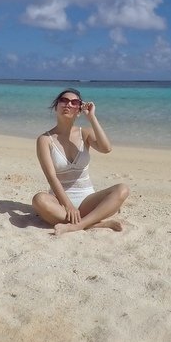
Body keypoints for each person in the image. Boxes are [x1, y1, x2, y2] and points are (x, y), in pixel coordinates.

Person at [32, 88, 129, 235]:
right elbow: (51, 177)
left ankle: (77, 225)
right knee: (38, 200)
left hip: (88, 200)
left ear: (78, 110)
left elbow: (106, 148)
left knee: (122, 189)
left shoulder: (85, 133)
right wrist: (68, 206)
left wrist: (92, 117)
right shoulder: (45, 140)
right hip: (60, 204)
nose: (68, 104)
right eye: (63, 100)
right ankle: (95, 223)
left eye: (74, 102)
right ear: (56, 106)